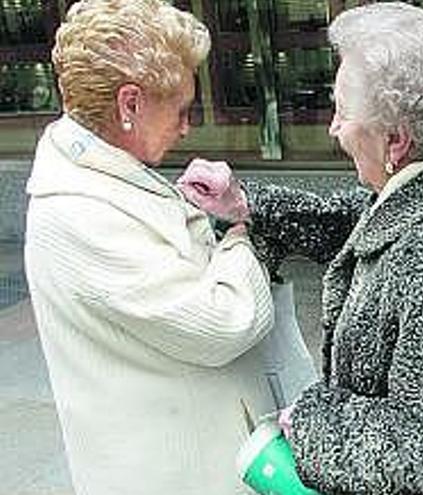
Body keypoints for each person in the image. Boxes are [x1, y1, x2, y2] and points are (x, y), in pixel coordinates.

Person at [186, 3, 423, 493]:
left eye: (342, 111)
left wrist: (311, 423)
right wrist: (245, 203)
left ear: (397, 140)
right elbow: (372, 226)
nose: (333, 127)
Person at [24, 1, 283, 493]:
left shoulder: (98, 172)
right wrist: (243, 236)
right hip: (169, 472)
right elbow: (221, 324)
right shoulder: (77, 211)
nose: (188, 126)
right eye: (182, 108)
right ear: (130, 104)